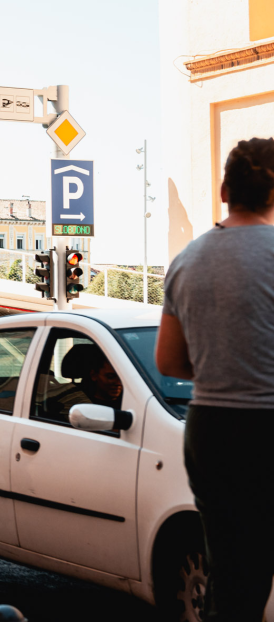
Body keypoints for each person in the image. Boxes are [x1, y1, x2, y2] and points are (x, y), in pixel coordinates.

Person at [156, 137, 274, 621]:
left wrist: (220, 363)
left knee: (230, 568)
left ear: (225, 190)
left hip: (211, 429)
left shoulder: (186, 261)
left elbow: (168, 360)